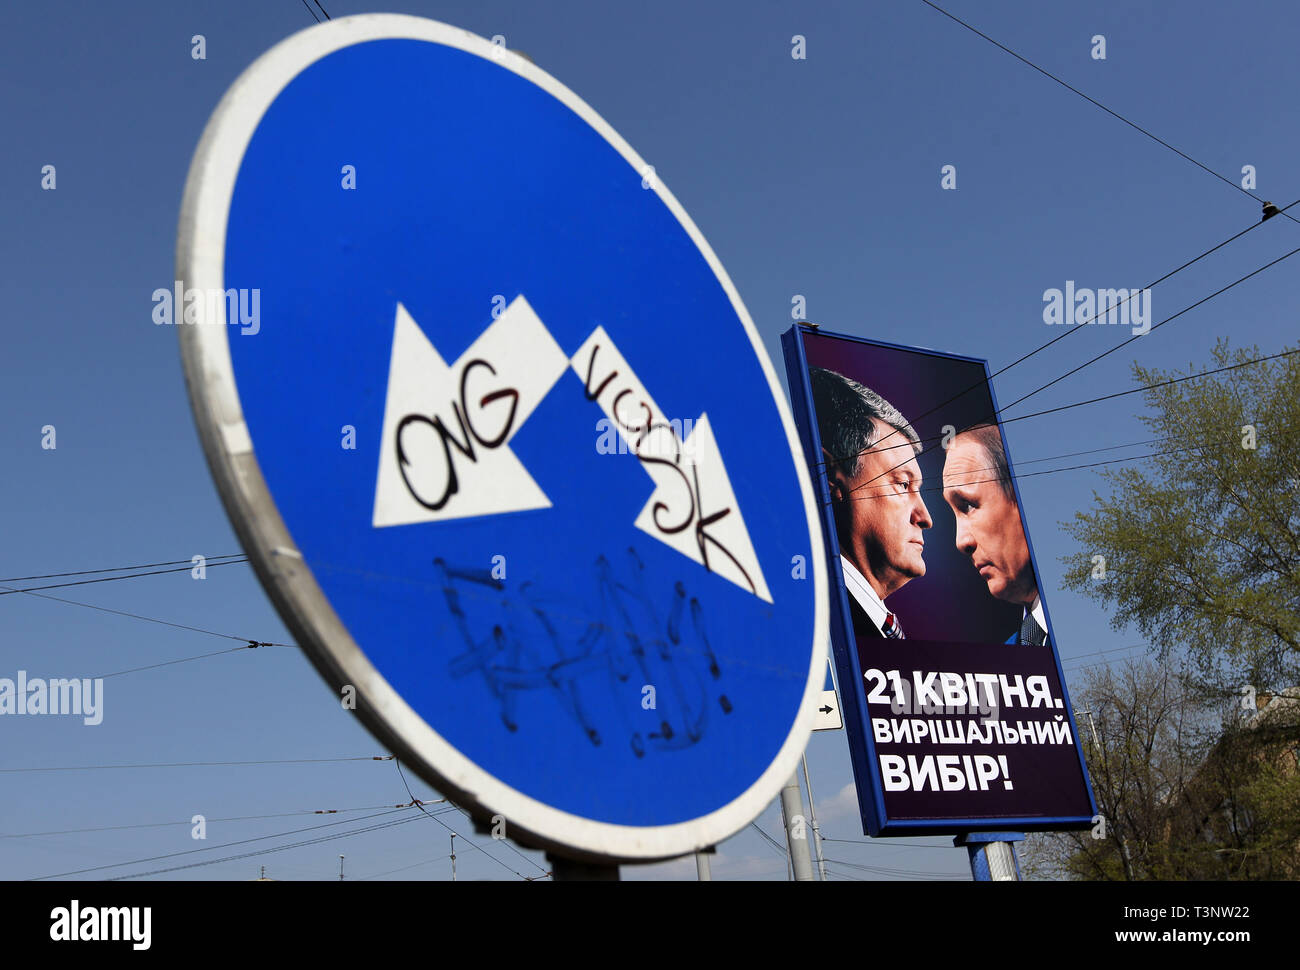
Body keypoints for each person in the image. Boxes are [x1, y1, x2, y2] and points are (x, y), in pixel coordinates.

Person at [810, 367, 932, 640]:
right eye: (903, 484)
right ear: (828, 477)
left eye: (919, 490)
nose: (925, 517)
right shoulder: (813, 616)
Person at [940, 423, 1049, 646]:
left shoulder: (1102, 613)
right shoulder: (1006, 665)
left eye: (968, 505)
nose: (961, 542)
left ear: (1022, 495)